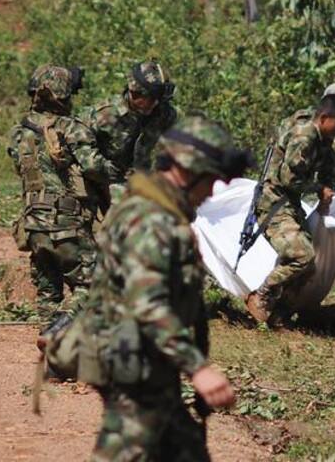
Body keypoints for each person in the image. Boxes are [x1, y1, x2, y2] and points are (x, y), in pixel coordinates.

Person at [89, 113, 250, 461]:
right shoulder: (152, 220)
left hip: (150, 363)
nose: (210, 193)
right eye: (210, 181)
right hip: (134, 368)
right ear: (188, 171)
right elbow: (147, 304)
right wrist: (198, 368)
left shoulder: (158, 212)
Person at [7, 65, 112, 327]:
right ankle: (62, 326)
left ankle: (50, 338)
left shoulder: (19, 132)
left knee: (48, 293)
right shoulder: (72, 128)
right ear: (64, 96)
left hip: (33, 226)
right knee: (94, 282)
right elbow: (95, 168)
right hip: (68, 225)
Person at [244, 93, 335, 323]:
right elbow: (289, 179)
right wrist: (319, 189)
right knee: (302, 256)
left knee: (309, 268)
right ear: (324, 118)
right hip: (273, 204)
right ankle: (260, 296)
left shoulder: (323, 141)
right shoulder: (304, 137)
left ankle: (279, 313)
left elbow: (330, 168)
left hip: (289, 204)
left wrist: (328, 188)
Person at [86, 61, 177, 196]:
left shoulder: (164, 114)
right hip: (101, 180)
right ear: (134, 93)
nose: (155, 104)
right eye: (150, 98)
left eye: (159, 100)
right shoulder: (104, 115)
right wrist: (107, 170)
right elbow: (80, 147)